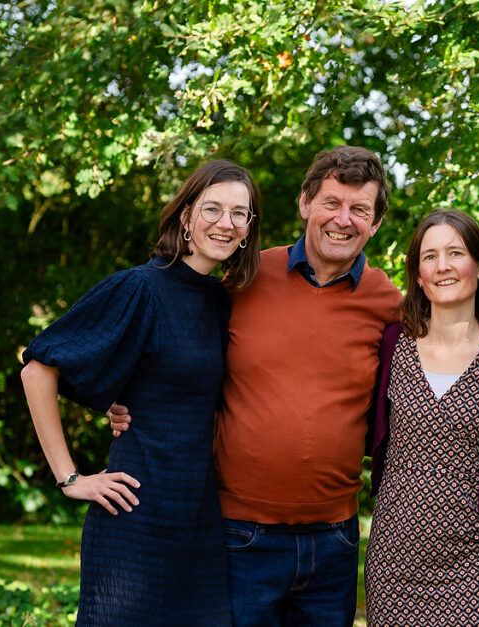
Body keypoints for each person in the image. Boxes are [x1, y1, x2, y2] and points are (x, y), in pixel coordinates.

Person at [110, 146, 402, 626]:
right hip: (239, 535)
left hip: (335, 540)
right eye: (331, 202)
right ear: (306, 203)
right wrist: (128, 397)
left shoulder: (387, 300)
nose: (343, 219)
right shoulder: (245, 276)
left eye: (359, 209)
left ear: (375, 223)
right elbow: (180, 344)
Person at [21, 159, 261, 626]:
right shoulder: (140, 287)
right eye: (212, 208)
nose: (225, 223)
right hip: (134, 515)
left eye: (239, 213)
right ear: (186, 217)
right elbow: (39, 367)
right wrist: (71, 479)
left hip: (199, 520)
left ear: (249, 230)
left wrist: (122, 395)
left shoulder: (217, 300)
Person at [365, 210, 479, 626]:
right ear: (416, 273)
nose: (443, 266)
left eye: (456, 253)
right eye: (429, 257)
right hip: (395, 559)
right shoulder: (392, 344)